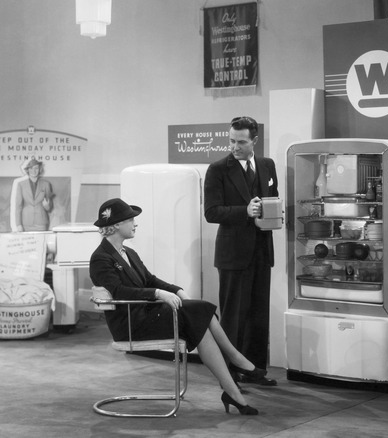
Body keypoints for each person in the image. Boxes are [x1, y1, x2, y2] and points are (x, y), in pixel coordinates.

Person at [89, 198, 264, 415]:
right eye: (131, 220)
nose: (135, 224)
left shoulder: (129, 253)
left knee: (199, 318)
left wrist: (176, 289)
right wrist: (158, 294)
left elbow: (150, 279)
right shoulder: (100, 258)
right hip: (131, 323)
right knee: (199, 312)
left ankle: (233, 390)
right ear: (115, 225)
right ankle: (236, 362)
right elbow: (118, 292)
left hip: (146, 315)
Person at [203, 116, 279, 386]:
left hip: (261, 250)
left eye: (241, 142)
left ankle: (256, 370)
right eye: (232, 141)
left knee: (259, 314)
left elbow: (272, 198)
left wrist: (275, 213)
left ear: (254, 141)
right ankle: (230, 374)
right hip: (233, 253)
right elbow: (211, 212)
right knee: (233, 316)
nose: (235, 146)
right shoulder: (217, 169)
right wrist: (244, 211)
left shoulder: (268, 165)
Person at [14, 158, 53, 231]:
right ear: (27, 170)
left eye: (36, 168)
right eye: (31, 168)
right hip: (26, 222)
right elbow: (18, 206)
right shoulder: (21, 185)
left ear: (40, 169)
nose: (34, 171)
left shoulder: (46, 184)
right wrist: (18, 224)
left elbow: (49, 207)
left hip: (41, 223)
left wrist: (47, 206)